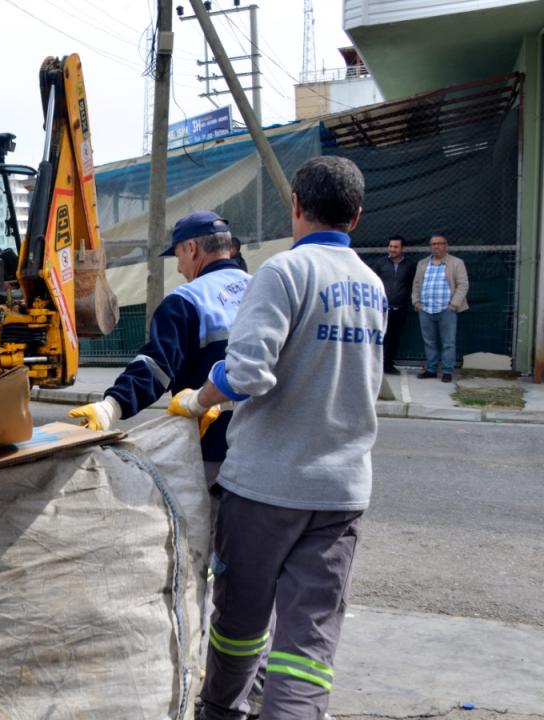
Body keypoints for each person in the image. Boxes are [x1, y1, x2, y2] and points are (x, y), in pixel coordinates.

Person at [172, 156, 385, 720]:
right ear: (357, 217)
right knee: (307, 648)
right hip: (340, 494)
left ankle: (220, 712)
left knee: (240, 623)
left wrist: (197, 399)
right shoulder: (372, 283)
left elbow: (246, 373)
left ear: (295, 204)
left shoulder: (283, 273)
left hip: (265, 487)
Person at [69, 210, 250, 486]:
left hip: (214, 452)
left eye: (178, 256)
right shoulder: (263, 288)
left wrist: (111, 406)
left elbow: (155, 367)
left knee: (213, 525)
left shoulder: (187, 301)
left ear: (192, 248)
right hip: (268, 445)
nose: (179, 268)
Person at [411, 234, 468, 382]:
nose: (436, 246)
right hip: (426, 309)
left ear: (446, 246)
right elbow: (416, 284)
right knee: (429, 342)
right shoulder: (422, 264)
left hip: (446, 310)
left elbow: (463, 284)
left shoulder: (456, 263)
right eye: (433, 244)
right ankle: (431, 369)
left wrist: (453, 305)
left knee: (448, 342)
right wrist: (416, 302)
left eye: (440, 243)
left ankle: (447, 371)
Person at [372, 235, 417, 375]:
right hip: (381, 309)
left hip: (399, 309)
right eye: (390, 246)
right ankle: (375, 366)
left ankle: (389, 365)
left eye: (396, 247)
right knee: (379, 338)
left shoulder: (410, 265)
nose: (392, 249)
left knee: (394, 338)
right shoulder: (380, 264)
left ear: (402, 248)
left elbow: (412, 285)